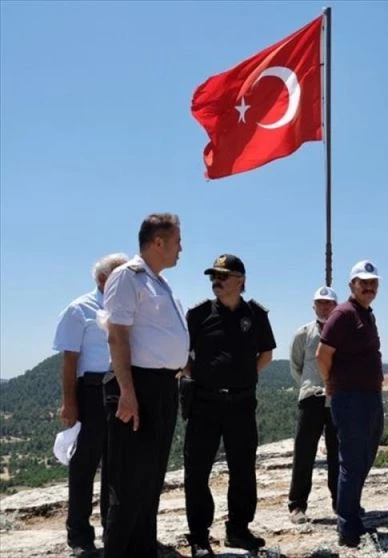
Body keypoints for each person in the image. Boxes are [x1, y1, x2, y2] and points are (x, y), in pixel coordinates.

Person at [102, 213, 190, 557]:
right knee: (128, 483)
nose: (181, 248)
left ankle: (142, 550)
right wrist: (127, 392)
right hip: (138, 385)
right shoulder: (128, 276)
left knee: (151, 480)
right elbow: (117, 336)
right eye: (177, 241)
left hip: (163, 386)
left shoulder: (159, 282)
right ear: (158, 242)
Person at [182, 254, 276, 557]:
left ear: (240, 280)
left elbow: (266, 354)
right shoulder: (198, 314)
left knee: (243, 468)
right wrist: (198, 376)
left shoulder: (256, 315)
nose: (216, 281)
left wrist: (243, 377)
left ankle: (238, 529)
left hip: (241, 403)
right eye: (213, 276)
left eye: (222, 276)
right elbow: (181, 353)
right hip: (204, 402)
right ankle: (199, 536)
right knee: (197, 470)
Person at [52, 253, 129, 557]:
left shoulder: (128, 308)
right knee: (84, 464)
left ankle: (114, 531)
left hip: (122, 388)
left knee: (117, 464)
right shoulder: (79, 309)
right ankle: (80, 536)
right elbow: (69, 361)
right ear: (102, 279)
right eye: (120, 274)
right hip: (92, 390)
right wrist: (69, 402)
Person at [316, 260, 384, 548]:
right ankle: (347, 527)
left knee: (364, 459)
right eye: (363, 282)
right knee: (352, 462)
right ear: (351, 285)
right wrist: (331, 382)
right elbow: (322, 354)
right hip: (350, 398)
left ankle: (353, 515)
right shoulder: (343, 314)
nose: (368, 287)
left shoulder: (366, 314)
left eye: (372, 283)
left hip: (370, 396)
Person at [287, 286, 340, 524]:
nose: (324, 307)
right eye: (320, 303)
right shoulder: (303, 333)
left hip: (337, 399)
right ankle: (297, 505)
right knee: (304, 452)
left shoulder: (343, 333)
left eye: (328, 303)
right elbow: (295, 365)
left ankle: (340, 502)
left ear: (336, 306)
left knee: (337, 453)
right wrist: (309, 386)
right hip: (312, 398)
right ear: (313, 306)